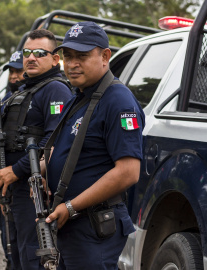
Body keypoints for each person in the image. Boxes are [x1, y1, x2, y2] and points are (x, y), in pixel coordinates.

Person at [45, 21, 145, 269]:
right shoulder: (80, 96)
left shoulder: (118, 100)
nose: (72, 64)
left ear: (105, 56)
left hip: (93, 225)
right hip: (72, 222)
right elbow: (68, 153)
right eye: (67, 56)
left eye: (82, 56)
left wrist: (70, 206)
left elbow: (128, 172)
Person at [0, 29, 72, 269]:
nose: (31, 57)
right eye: (27, 52)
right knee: (16, 251)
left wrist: (16, 170)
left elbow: (53, 141)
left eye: (40, 53)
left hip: (35, 189)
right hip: (14, 187)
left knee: (33, 255)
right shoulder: (25, 90)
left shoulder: (56, 89)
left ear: (55, 59)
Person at [0, 51, 25, 270]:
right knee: (7, 231)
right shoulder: (9, 97)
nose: (14, 76)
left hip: (20, 179)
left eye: (18, 71)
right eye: (11, 71)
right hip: (3, 178)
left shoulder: (34, 95)